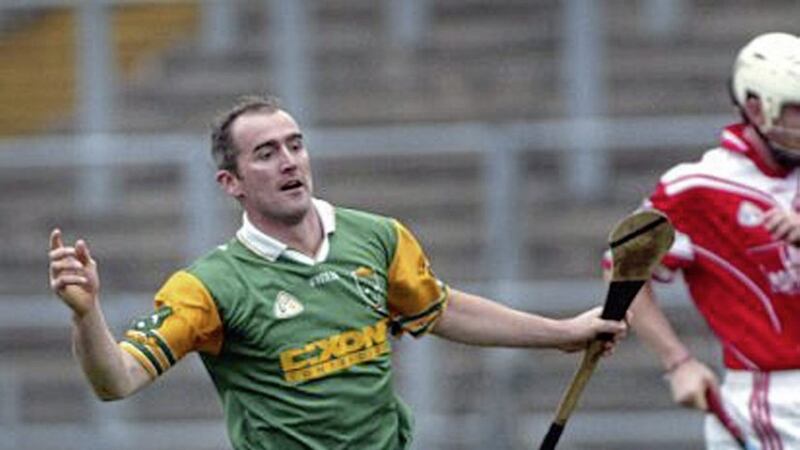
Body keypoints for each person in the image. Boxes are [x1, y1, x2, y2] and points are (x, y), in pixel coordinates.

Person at [48, 95, 628, 450]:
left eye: (295, 145)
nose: (289, 161)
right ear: (232, 183)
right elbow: (115, 381)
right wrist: (87, 314)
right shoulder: (209, 286)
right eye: (266, 153)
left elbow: (443, 309)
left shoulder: (377, 238)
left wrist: (564, 333)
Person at [616, 32, 800, 449]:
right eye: (797, 110)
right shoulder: (698, 188)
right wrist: (677, 362)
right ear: (757, 108)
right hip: (779, 403)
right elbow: (624, 269)